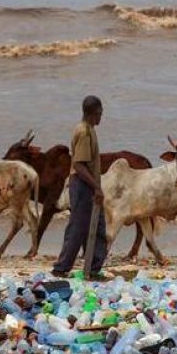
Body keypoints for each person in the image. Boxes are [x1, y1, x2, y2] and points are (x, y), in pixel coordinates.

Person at [53, 95, 107, 279]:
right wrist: (96, 188)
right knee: (78, 227)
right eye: (100, 113)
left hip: (87, 184)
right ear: (93, 113)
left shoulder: (89, 129)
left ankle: (92, 268)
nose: (101, 117)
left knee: (97, 227)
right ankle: (61, 268)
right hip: (82, 184)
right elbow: (79, 165)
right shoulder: (84, 132)